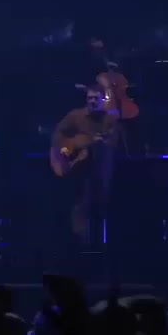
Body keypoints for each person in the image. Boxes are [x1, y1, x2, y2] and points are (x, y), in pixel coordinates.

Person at [52, 85, 120, 247]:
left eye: (96, 98)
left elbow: (113, 141)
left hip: (101, 170)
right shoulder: (76, 116)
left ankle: (100, 245)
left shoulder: (109, 119)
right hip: (80, 172)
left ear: (102, 100)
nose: (93, 101)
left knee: (101, 206)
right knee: (80, 206)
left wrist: (102, 142)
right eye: (90, 98)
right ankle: (80, 245)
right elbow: (58, 135)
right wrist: (66, 148)